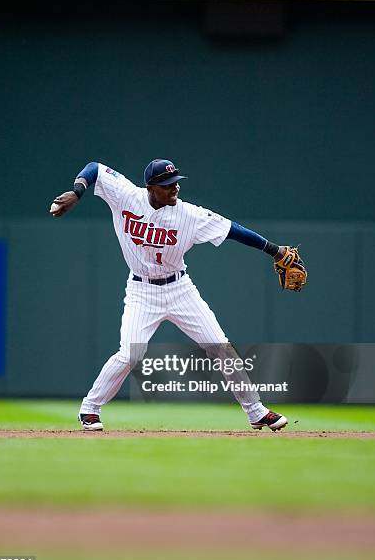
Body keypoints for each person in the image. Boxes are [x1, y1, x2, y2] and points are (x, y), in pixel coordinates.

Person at [50, 159, 303, 432]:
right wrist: (77, 191)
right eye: (167, 185)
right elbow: (95, 168)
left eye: (176, 182)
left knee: (221, 347)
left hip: (180, 290)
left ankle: (256, 412)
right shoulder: (126, 195)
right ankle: (89, 408)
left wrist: (275, 251)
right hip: (141, 291)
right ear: (150, 187)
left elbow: (234, 231)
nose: (175, 188)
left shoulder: (190, 215)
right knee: (130, 355)